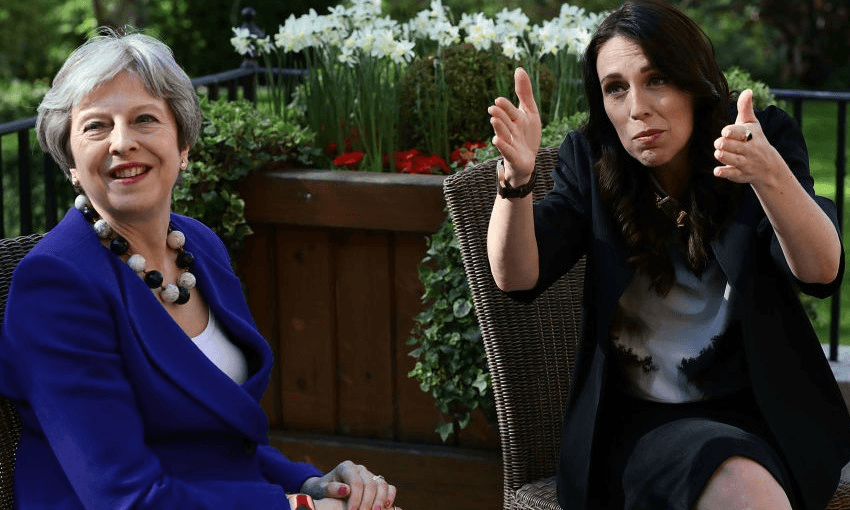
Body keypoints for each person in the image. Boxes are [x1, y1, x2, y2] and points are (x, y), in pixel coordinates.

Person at [0, 29, 401, 510]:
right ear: (70, 160)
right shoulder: (55, 286)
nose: (122, 142)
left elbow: (224, 441)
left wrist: (316, 483)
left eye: (144, 119)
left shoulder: (199, 245)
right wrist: (299, 508)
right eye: (96, 126)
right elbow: (124, 496)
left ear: (183, 144)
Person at [486, 1, 850, 509]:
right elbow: (517, 277)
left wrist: (770, 176)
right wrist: (516, 183)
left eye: (656, 79)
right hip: (636, 426)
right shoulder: (589, 162)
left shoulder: (756, 141)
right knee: (740, 485)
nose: (637, 107)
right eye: (616, 88)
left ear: (694, 82)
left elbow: (821, 269)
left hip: (767, 415)